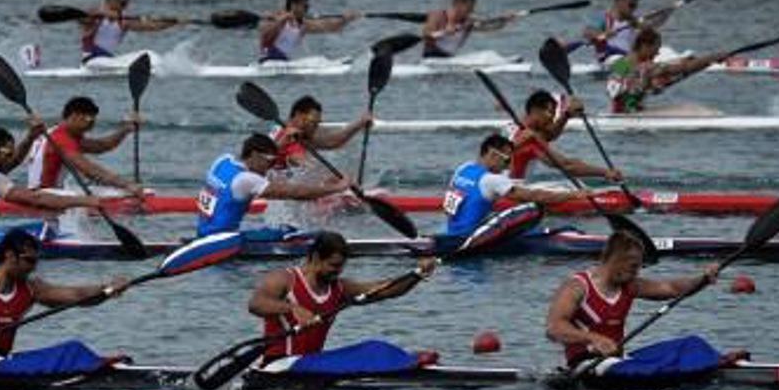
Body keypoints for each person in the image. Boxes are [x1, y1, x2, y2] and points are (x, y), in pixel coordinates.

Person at [0, 228, 127, 356]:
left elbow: (75, 296)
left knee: (72, 350)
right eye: (29, 261)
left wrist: (107, 289)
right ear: (10, 256)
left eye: (36, 261)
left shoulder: (31, 288)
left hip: (0, 363)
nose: (33, 267)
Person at [248, 231, 435, 362]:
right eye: (333, 265)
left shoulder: (340, 288)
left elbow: (385, 290)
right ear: (315, 257)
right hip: (279, 363)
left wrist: (417, 274)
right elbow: (256, 304)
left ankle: (404, 361)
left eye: (341, 266)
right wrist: (292, 308)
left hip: (311, 363)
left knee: (374, 348)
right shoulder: (284, 279)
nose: (337, 272)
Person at [545, 230, 718, 367]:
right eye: (633, 266)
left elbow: (671, 288)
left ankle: (720, 362)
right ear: (616, 258)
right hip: (586, 363)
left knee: (690, 345)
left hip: (617, 362)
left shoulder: (630, 285)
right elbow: (554, 329)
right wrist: (594, 339)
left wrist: (703, 279)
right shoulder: (577, 286)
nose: (637, 272)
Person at [0, 126, 105, 242]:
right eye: (7, 153)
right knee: (45, 230)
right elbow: (36, 199)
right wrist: (85, 201)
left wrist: (31, 137)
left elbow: (11, 163)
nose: (10, 158)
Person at [195, 134, 353, 240]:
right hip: (224, 240)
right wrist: (338, 188)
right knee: (292, 233)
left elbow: (257, 157)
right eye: (269, 162)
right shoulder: (247, 180)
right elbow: (297, 193)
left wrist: (281, 143)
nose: (270, 168)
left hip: (203, 232)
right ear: (255, 155)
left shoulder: (223, 160)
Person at [443, 134, 594, 237]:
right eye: (507, 161)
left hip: (452, 232)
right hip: (473, 237)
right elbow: (536, 196)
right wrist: (573, 195)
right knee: (533, 208)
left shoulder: (463, 168)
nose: (507, 167)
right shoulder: (491, 180)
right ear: (492, 154)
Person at [25, 96, 144, 200]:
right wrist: (127, 185)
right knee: (125, 193)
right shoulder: (62, 139)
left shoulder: (55, 133)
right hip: (47, 195)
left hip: (37, 193)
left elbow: (101, 146)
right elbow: (89, 170)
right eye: (88, 119)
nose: (91, 124)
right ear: (74, 116)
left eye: (93, 119)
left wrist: (125, 130)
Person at [509, 90, 622, 182]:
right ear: (535, 110)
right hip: (510, 193)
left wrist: (566, 115)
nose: (552, 119)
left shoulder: (515, 126)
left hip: (504, 186)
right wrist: (604, 172)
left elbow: (549, 135)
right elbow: (567, 166)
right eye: (550, 113)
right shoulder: (531, 137)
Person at [605, 27, 721, 114]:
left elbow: (612, 88)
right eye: (656, 49)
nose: (657, 53)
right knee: (696, 110)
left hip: (623, 113)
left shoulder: (621, 63)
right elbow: (684, 68)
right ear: (645, 46)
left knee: (663, 79)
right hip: (630, 117)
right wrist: (713, 58)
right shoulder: (646, 67)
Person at [80, 0, 179, 64]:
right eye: (122, 3)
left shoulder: (124, 21)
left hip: (107, 60)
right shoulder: (94, 15)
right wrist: (106, 14)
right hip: (91, 60)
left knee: (148, 54)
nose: (125, 6)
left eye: (126, 3)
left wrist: (174, 22)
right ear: (110, 0)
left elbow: (151, 27)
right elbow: (83, 19)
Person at [270, 95, 372, 171]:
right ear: (298, 115)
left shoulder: (290, 133)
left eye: (317, 124)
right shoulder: (292, 140)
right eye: (313, 123)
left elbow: (331, 142)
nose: (315, 128)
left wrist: (359, 124)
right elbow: (299, 160)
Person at [258, 0, 359, 63]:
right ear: (294, 6)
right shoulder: (273, 17)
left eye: (308, 7)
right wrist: (281, 21)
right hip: (267, 62)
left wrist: (345, 20)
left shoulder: (302, 24)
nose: (307, 10)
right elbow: (264, 34)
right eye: (305, 7)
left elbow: (329, 26)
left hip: (283, 62)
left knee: (319, 60)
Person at [581, 0, 673, 64]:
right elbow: (587, 32)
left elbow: (652, 26)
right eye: (631, 5)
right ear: (618, 2)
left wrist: (667, 13)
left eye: (635, 6)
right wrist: (603, 34)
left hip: (627, 58)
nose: (633, 9)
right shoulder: (604, 18)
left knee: (664, 50)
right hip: (610, 60)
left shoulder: (632, 21)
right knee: (632, 60)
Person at [421, 0, 516, 59]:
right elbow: (426, 34)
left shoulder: (468, 22)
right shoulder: (437, 16)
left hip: (449, 59)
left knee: (488, 54)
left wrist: (505, 21)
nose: (471, 11)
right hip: (431, 58)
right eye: (469, 8)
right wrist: (445, 32)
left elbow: (490, 28)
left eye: (472, 8)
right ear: (457, 4)